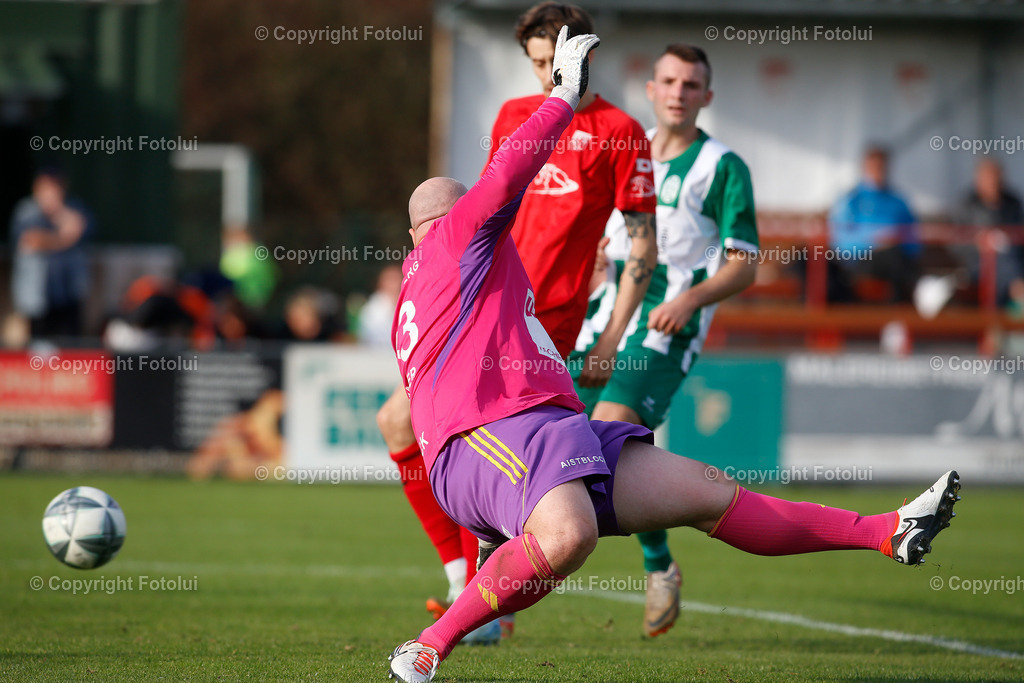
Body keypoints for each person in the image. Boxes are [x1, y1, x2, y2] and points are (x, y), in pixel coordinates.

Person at [385, 29, 960, 682]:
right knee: (568, 535)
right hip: (486, 435)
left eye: (691, 85)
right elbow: (508, 171)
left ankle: (887, 530)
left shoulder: (451, 277)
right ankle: (429, 643)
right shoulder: (455, 235)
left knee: (705, 492)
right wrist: (563, 97)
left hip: (540, 427)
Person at [376, 1, 657, 643]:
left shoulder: (620, 131)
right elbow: (487, 208)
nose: (540, 77)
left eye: (550, 64)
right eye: (532, 63)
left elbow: (642, 240)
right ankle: (462, 582)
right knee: (401, 420)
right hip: (478, 306)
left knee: (535, 469)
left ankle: (483, 602)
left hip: (540, 323)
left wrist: (611, 336)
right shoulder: (514, 116)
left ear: (578, 58)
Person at [569, 43, 758, 637]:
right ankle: (494, 585)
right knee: (555, 438)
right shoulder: (625, 150)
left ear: (707, 96)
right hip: (602, 317)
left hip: (662, 328)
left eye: (691, 83)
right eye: (669, 81)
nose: (679, 91)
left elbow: (744, 263)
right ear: (651, 89)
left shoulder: (723, 166)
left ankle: (656, 566)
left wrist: (689, 299)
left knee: (609, 429)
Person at [9, 165, 93, 340]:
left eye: (55, 187)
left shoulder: (73, 207)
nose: (50, 192)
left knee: (70, 351)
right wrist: (64, 239)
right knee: (39, 353)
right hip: (37, 297)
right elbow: (31, 240)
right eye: (46, 186)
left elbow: (81, 229)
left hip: (68, 293)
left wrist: (59, 211)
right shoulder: (26, 211)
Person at [827, 146, 919, 303]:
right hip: (862, 261)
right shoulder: (851, 200)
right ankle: (896, 317)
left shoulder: (898, 201)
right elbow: (840, 241)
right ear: (864, 168)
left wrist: (897, 239)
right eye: (874, 166)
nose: (878, 171)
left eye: (881, 167)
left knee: (895, 259)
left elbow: (915, 240)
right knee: (894, 260)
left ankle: (896, 316)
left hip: (896, 259)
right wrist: (873, 241)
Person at [953, 158, 1024, 309]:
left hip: (1012, 262)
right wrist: (980, 243)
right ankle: (1017, 296)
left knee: (1004, 262)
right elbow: (956, 243)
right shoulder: (967, 204)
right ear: (978, 180)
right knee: (998, 265)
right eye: (989, 178)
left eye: (996, 177)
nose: (993, 182)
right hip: (977, 264)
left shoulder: (1013, 203)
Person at [358, 265, 403, 349]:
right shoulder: (373, 308)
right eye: (391, 279)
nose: (395, 284)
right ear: (381, 282)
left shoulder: (408, 303)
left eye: (397, 279)